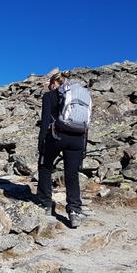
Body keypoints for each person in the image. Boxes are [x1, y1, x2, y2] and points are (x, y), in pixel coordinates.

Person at [36, 73, 86, 228]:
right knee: (72, 174)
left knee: (45, 166)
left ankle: (45, 204)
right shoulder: (80, 96)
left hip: (57, 136)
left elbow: (45, 121)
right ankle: (74, 211)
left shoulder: (49, 96)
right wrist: (84, 146)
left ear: (53, 83)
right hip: (78, 138)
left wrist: (41, 142)